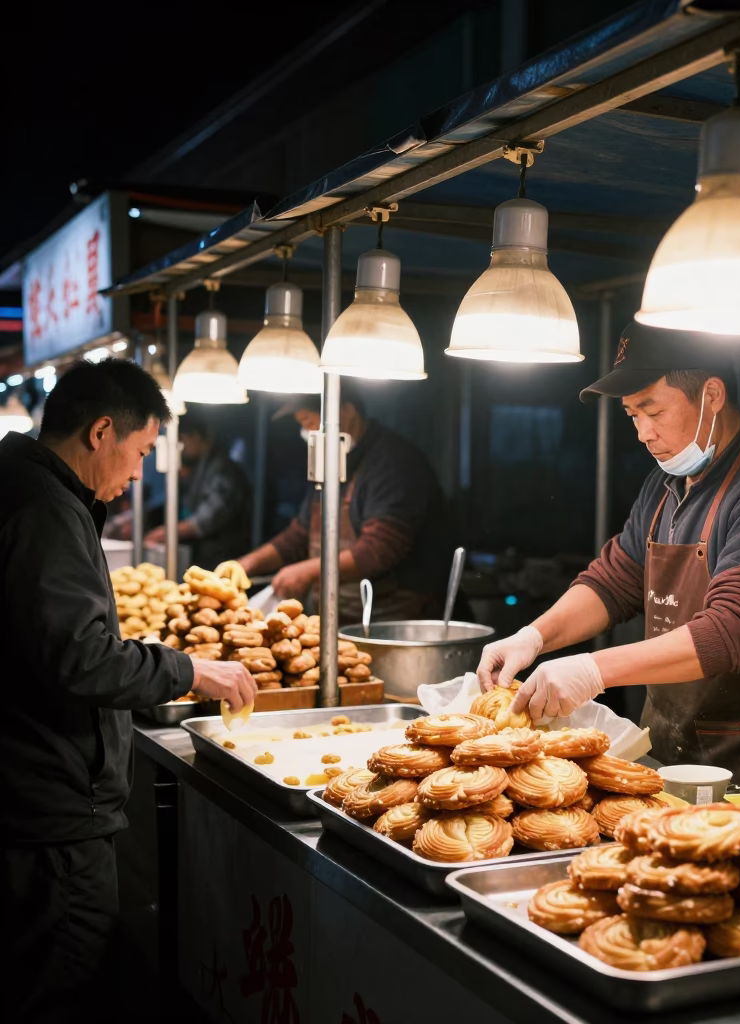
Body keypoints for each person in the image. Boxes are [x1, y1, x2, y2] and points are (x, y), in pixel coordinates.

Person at [477, 323, 740, 794]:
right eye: (631, 415)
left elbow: (735, 631)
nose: (642, 432)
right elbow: (613, 582)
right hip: (672, 753)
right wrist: (533, 636)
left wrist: (593, 670)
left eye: (652, 410)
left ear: (712, 395)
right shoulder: (667, 485)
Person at [0, 358, 257, 1023]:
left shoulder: (23, 486)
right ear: (101, 433)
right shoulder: (44, 508)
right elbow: (81, 657)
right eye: (140, 452)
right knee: (61, 985)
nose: (141, 472)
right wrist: (190, 670)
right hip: (49, 813)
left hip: (29, 799)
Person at [238, 390, 451, 621]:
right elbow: (300, 533)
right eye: (302, 424)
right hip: (337, 615)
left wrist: (305, 571)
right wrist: (245, 565)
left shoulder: (393, 462)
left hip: (392, 621)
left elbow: (379, 549)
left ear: (347, 411)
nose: (308, 432)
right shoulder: (330, 461)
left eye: (310, 421)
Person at [144, 409, 252, 568]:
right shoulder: (197, 468)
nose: (179, 448)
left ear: (198, 437)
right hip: (200, 558)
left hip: (223, 561)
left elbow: (205, 520)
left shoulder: (223, 471)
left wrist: (164, 533)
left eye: (181, 440)